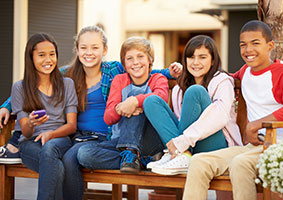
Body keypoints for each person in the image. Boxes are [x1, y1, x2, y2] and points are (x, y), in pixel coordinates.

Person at [0, 25, 181, 199]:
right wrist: (7, 106)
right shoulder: (67, 74)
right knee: (67, 155)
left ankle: (136, 156)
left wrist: (170, 72)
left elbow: (143, 69)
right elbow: (31, 84)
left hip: (109, 136)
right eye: (84, 47)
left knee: (71, 158)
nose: (89, 52)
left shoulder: (114, 70)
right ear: (77, 50)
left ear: (104, 49)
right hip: (77, 136)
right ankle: (138, 158)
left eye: (95, 47)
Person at [183, 20, 283, 200]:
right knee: (199, 161)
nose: (248, 50)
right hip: (254, 147)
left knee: (240, 164)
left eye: (255, 43)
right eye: (243, 45)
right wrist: (174, 73)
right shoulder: (245, 72)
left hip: (282, 147)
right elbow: (225, 79)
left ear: (270, 46)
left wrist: (255, 125)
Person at [143, 35, 242, 175]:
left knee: (196, 91)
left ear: (213, 60)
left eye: (202, 57)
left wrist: (183, 141)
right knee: (151, 101)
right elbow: (182, 123)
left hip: (217, 146)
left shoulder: (222, 81)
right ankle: (183, 155)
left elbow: (221, 116)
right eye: (191, 57)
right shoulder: (179, 88)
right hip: (190, 145)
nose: (196, 62)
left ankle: (180, 154)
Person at [77, 36, 169, 175]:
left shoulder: (158, 79)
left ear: (149, 60)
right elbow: (108, 118)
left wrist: (134, 102)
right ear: (124, 64)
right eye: (129, 58)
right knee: (84, 154)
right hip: (120, 141)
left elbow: (161, 97)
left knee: (136, 106)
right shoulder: (119, 80)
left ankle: (132, 155)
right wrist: (121, 108)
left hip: (150, 141)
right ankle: (140, 160)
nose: (135, 62)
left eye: (140, 56)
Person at [11, 33, 78, 199]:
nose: (48, 60)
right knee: (58, 168)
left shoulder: (67, 84)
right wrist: (32, 123)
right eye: (41, 55)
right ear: (31, 58)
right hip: (30, 144)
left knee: (50, 148)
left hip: (60, 140)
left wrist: (51, 134)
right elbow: (25, 132)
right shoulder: (19, 88)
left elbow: (71, 125)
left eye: (52, 54)